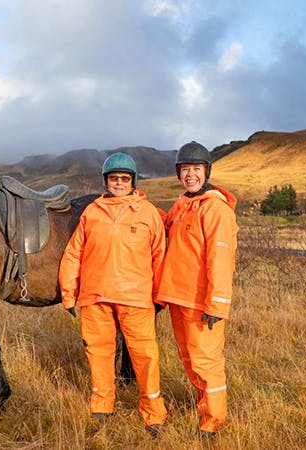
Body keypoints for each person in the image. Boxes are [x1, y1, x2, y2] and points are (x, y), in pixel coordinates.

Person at [58, 152, 168, 436]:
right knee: (99, 354)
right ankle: (102, 406)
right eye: (114, 178)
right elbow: (73, 254)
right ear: (106, 181)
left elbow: (160, 257)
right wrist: (69, 294)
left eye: (124, 178)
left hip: (136, 299)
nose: (119, 183)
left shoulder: (149, 213)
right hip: (95, 298)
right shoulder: (92, 213)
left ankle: (153, 414)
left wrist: (159, 297)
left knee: (145, 357)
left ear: (133, 181)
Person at [155, 141, 238, 439]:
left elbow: (221, 258)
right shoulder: (181, 206)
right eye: (185, 169)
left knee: (206, 361)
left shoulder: (215, 210)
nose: (191, 175)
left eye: (196, 169)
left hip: (201, 302)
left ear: (206, 172)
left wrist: (216, 305)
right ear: (179, 173)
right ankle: (204, 406)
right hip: (177, 298)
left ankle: (213, 423)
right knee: (189, 359)